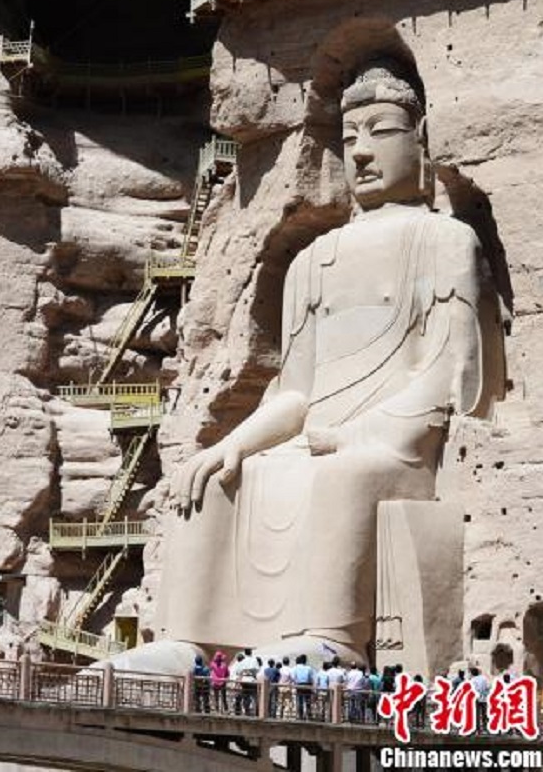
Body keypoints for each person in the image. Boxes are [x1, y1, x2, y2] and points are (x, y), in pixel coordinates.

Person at [161, 53, 505, 665]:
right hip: (316, 438)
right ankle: (188, 647)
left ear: (421, 139)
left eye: (381, 132)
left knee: (344, 476)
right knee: (212, 480)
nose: (362, 153)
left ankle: (332, 642)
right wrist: (233, 444)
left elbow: (450, 373)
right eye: (349, 139)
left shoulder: (445, 240)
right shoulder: (314, 260)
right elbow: (296, 392)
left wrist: (356, 435)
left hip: (395, 444)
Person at [291, 654, 315, 720]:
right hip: (307, 685)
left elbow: (293, 677)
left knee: (300, 701)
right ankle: (309, 716)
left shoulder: (296, 668)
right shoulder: (309, 668)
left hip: (299, 685)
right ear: (305, 660)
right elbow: (311, 678)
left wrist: (296, 682)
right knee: (308, 701)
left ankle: (300, 716)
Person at [470, 667, 490, 734]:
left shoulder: (472, 680)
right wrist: (485, 694)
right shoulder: (484, 678)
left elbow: (472, 690)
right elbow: (488, 687)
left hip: (476, 698)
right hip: (484, 698)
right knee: (484, 714)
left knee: (477, 714)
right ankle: (485, 728)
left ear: (472, 673)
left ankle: (478, 729)